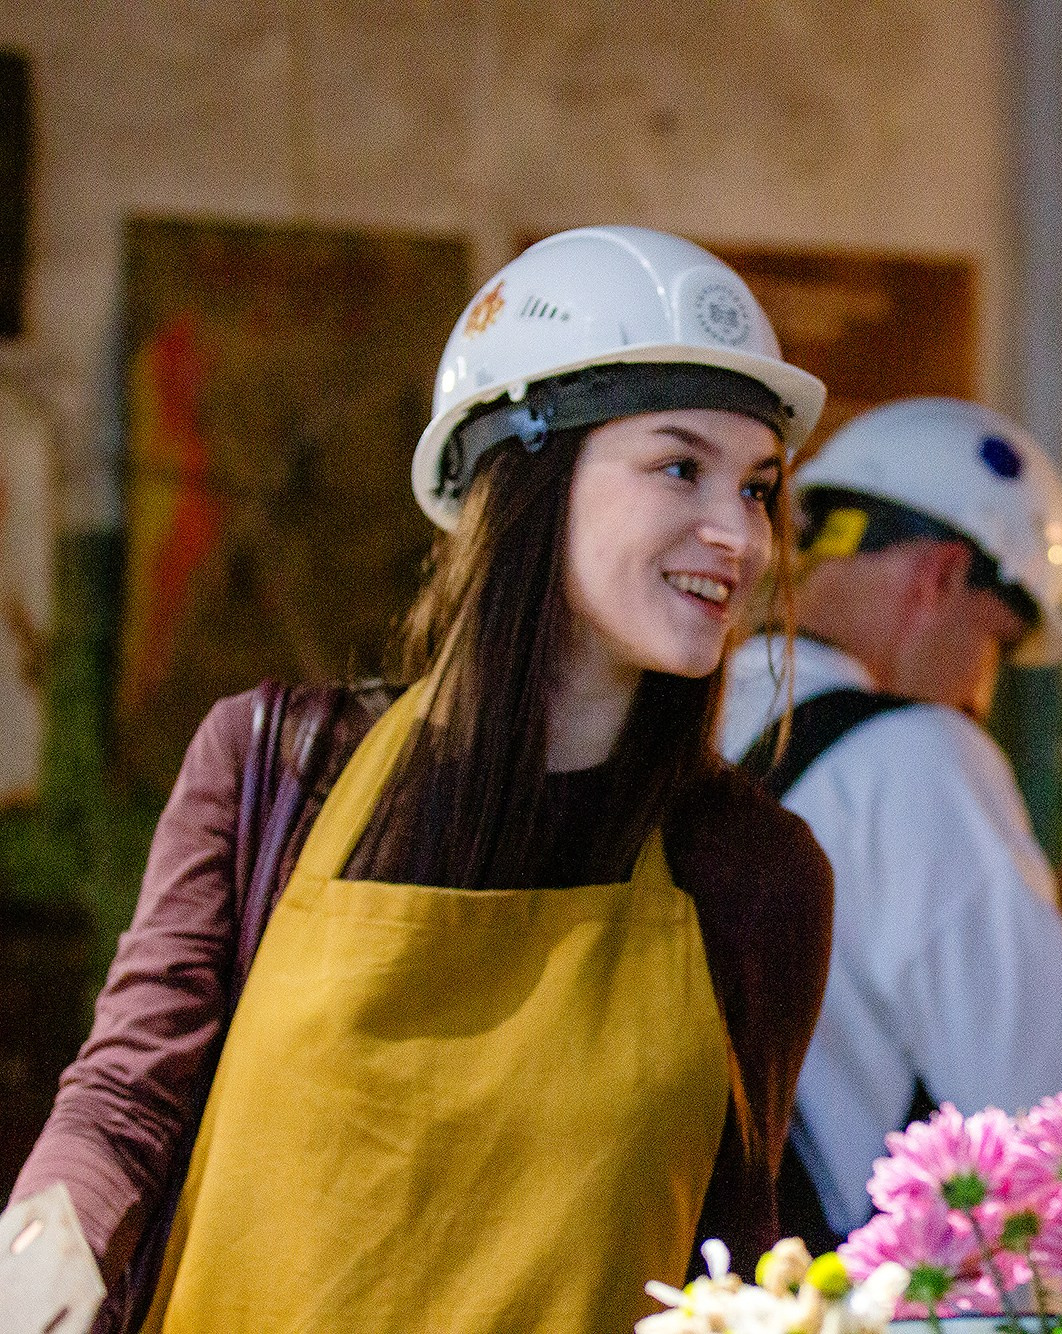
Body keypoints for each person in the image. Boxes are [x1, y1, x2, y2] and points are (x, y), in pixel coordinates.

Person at [8, 226, 836, 1332]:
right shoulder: (276, 768)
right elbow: (125, 1100)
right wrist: (33, 1269)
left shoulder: (755, 874)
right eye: (681, 465)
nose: (738, 532)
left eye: (758, 486)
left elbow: (733, 1254)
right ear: (521, 475)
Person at [718, 397, 1062, 1244]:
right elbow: (1037, 1116)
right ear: (942, 576)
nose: (982, 693)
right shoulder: (918, 754)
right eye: (997, 645)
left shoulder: (700, 707)